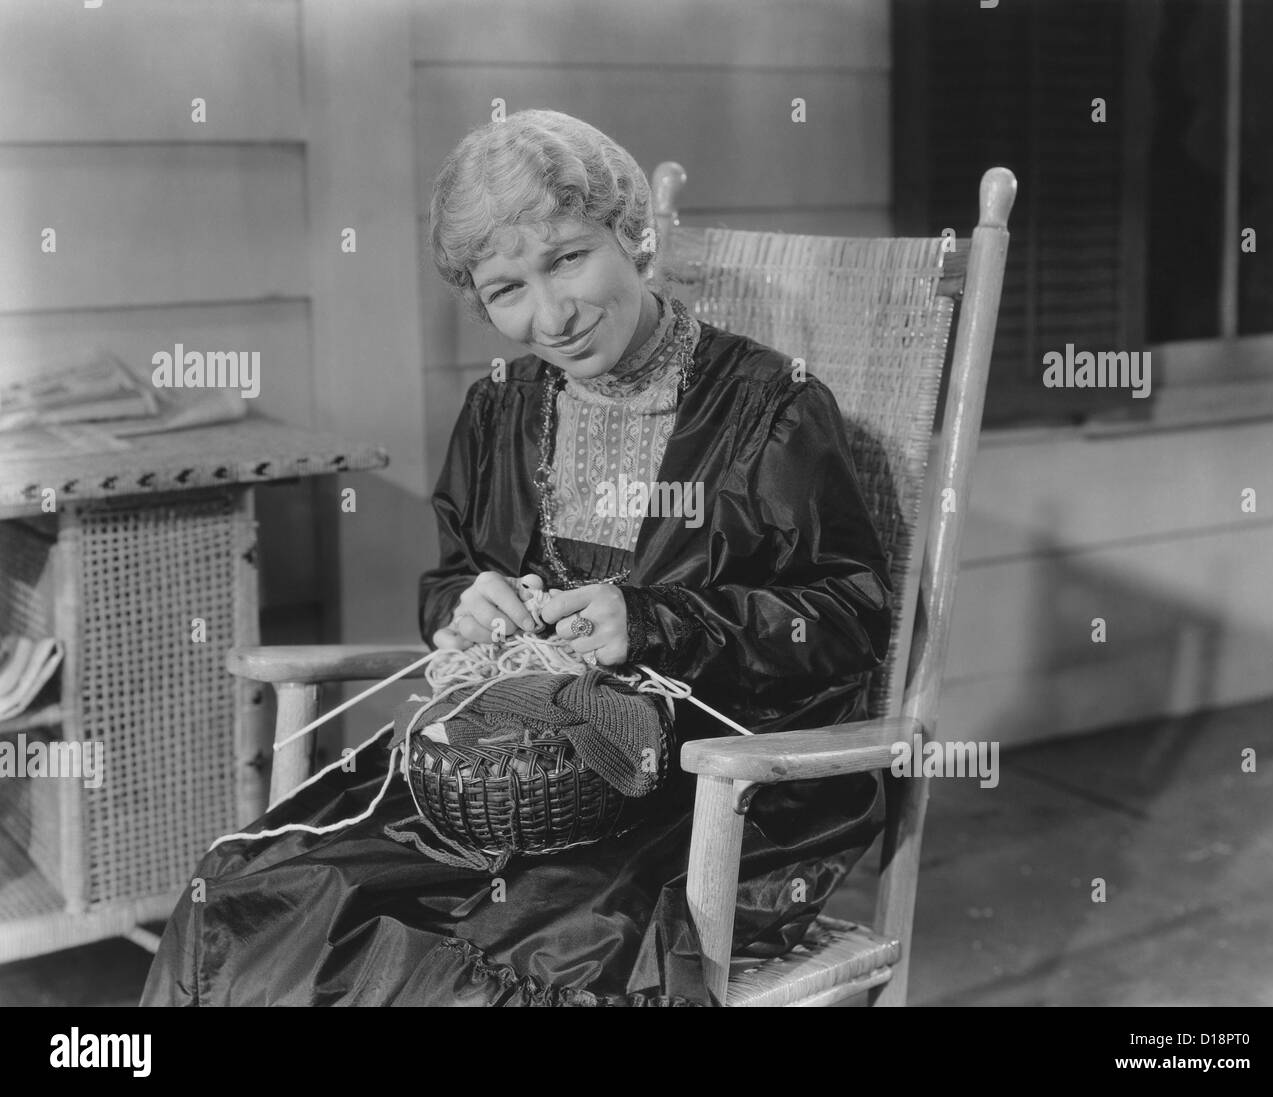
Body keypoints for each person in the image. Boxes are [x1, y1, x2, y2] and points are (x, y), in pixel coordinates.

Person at [140, 109, 893, 1007]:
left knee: (506, 964)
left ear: (634, 234)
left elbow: (851, 614)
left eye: (570, 256)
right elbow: (453, 579)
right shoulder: (501, 409)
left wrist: (659, 621)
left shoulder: (772, 408)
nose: (552, 314)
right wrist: (467, 609)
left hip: (697, 787)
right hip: (502, 774)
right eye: (507, 289)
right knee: (250, 895)